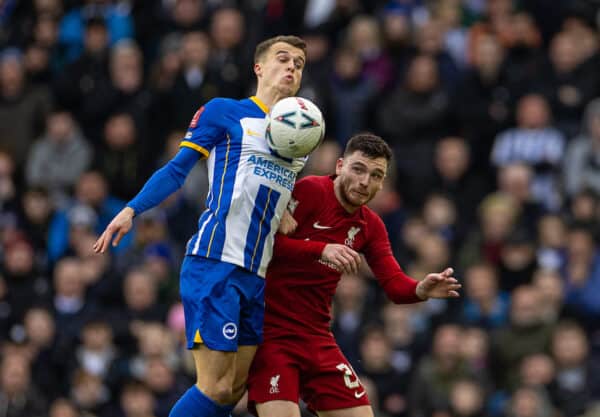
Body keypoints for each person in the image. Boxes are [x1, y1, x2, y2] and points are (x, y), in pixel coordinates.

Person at [93, 35, 309, 417]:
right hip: (215, 261)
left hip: (256, 274)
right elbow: (177, 171)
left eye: (300, 63)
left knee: (233, 390)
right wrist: (131, 209)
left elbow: (273, 197)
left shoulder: (300, 138)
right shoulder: (226, 112)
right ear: (259, 67)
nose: (292, 66)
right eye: (283, 58)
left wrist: (285, 214)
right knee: (214, 386)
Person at [247, 133, 461, 417]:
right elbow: (264, 242)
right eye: (358, 169)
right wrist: (320, 250)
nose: (364, 182)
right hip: (270, 332)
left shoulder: (371, 227)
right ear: (339, 166)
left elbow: (395, 285)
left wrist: (420, 289)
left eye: (376, 175)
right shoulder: (309, 190)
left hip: (317, 337)